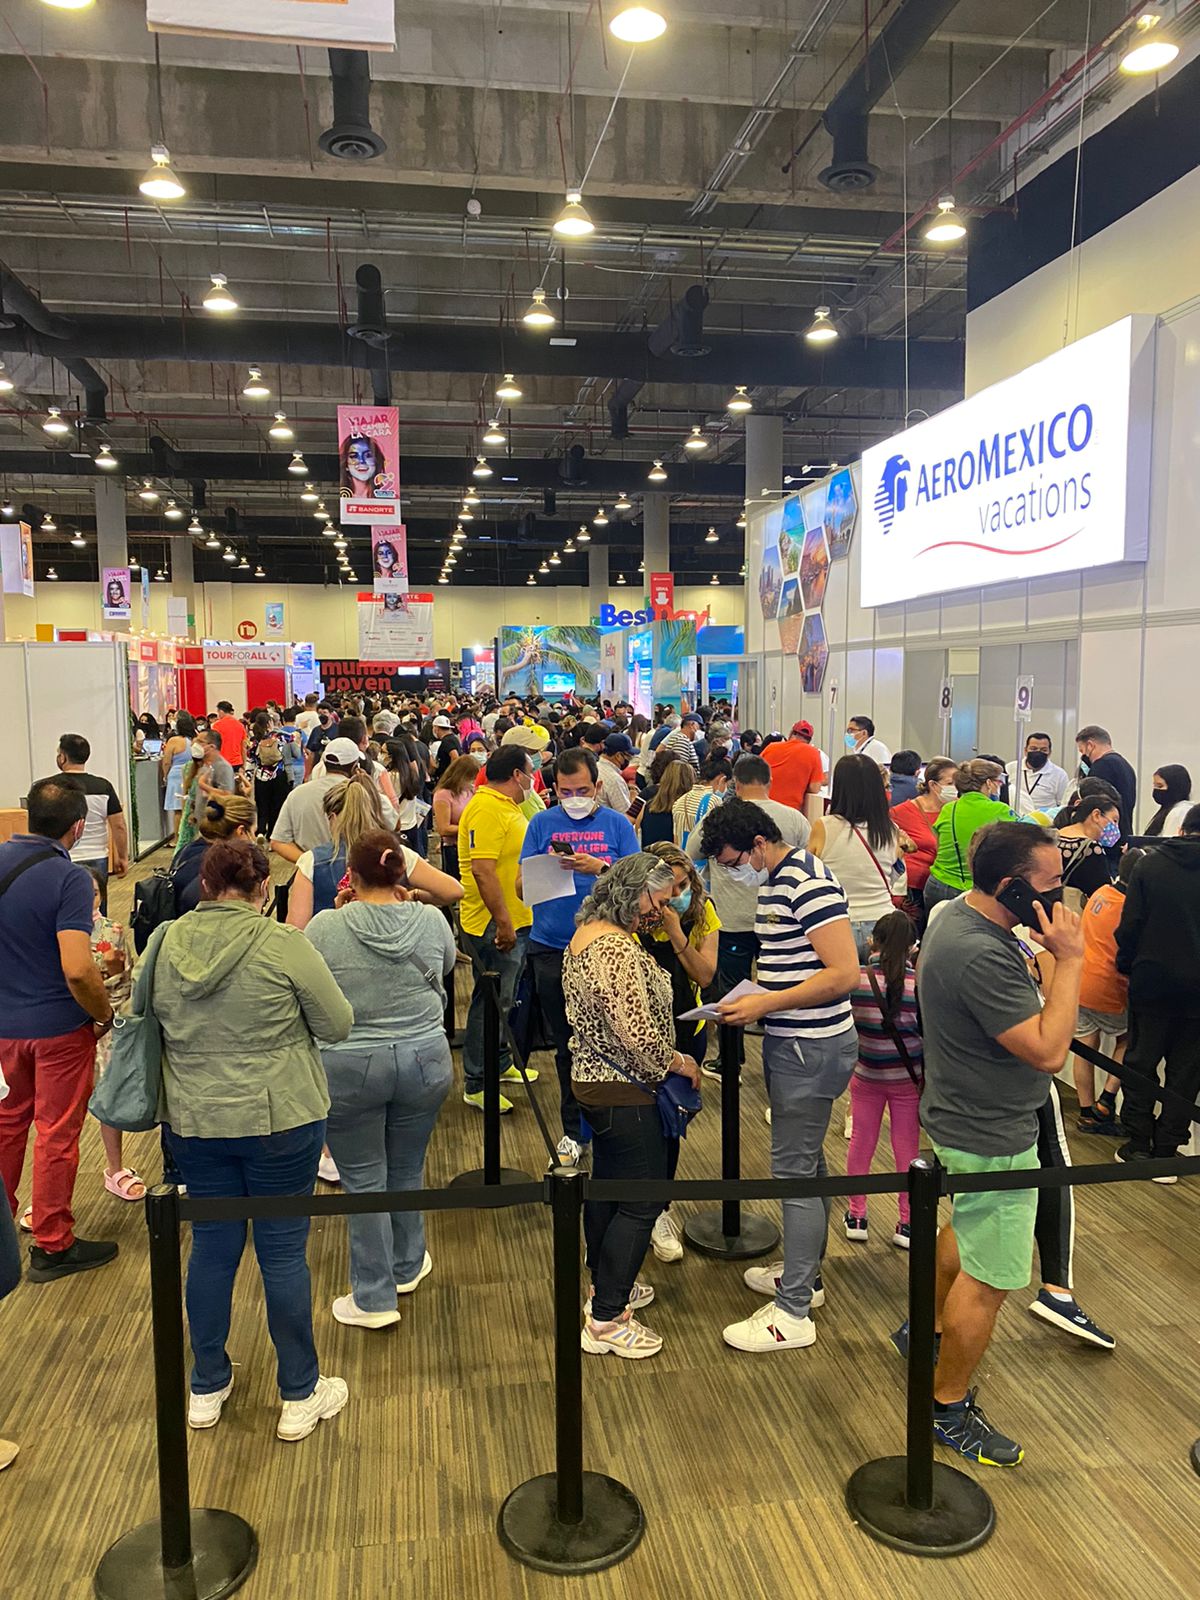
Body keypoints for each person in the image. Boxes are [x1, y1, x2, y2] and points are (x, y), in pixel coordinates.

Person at [152, 838, 354, 1440]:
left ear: (205, 886)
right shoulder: (284, 943)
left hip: (195, 1117)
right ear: (264, 888)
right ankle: (299, 1391)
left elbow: (145, 1018)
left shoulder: (163, 943)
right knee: (283, 1252)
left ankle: (206, 1384)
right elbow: (337, 1024)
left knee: (211, 1249)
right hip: (281, 1116)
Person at [904, 821, 1084, 1467]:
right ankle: (947, 1405)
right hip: (992, 1132)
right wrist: (1072, 959)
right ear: (1011, 887)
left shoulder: (957, 915)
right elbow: (1049, 1051)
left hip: (963, 1117)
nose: (1059, 897)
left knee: (966, 1228)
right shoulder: (980, 952)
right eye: (1049, 885)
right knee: (991, 1278)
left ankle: (924, 1329)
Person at [699, 799, 860, 1354]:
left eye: (733, 861)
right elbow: (794, 961)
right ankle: (804, 1276)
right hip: (794, 1040)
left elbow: (844, 972)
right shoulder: (777, 879)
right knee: (807, 1164)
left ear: (758, 844)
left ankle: (792, 1312)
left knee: (794, 1174)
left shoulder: (805, 882)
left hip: (809, 1045)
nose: (733, 872)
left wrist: (765, 1003)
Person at [305, 833, 455, 1328]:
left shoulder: (325, 927)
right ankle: (407, 1264)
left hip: (350, 1065)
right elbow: (445, 966)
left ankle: (373, 1295)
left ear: (351, 875)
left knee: (363, 1178)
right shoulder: (431, 919)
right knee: (408, 1166)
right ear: (401, 874)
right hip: (425, 1058)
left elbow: (312, 983)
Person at [563, 853, 700, 1359]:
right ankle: (607, 1318)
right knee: (641, 1201)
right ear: (633, 892)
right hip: (625, 1090)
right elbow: (637, 1034)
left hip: (598, 1084)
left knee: (609, 1190)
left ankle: (604, 1286)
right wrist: (681, 1062)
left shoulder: (589, 934)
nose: (660, 911)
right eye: (657, 901)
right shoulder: (615, 948)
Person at [0, 777, 117, 1282]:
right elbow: (77, 967)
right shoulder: (69, 879)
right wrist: (103, 1015)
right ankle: (52, 1242)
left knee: (7, 1126)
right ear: (78, 827)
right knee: (56, 1134)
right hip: (58, 1031)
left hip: (4, 1029)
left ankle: (3, 1231)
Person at [518, 748, 639, 1162]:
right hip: (551, 945)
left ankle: (615, 1126)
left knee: (614, 1038)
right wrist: (546, 869)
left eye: (582, 790)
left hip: (606, 950)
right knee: (566, 1043)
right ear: (553, 788)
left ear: (597, 786)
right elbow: (520, 886)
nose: (574, 798)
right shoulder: (541, 823)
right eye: (565, 791)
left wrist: (599, 867)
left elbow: (639, 888)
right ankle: (575, 1130)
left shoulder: (617, 825)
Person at [684, 753, 810, 1077]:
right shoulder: (794, 818)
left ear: (735, 784)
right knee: (780, 984)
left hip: (733, 919)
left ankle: (730, 1061)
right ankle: (785, 1058)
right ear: (770, 782)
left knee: (731, 992)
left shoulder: (720, 818)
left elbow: (691, 853)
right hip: (781, 920)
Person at [1115, 803, 1200, 1171]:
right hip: (1197, 992)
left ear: (1181, 829)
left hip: (1151, 979)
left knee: (1141, 1063)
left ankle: (1137, 1142)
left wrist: (1125, 965)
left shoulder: (1149, 865)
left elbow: (1130, 925)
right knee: (1187, 1073)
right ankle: (1167, 1149)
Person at [458, 745, 535, 1113]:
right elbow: (482, 870)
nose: (533, 779)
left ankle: (500, 1063)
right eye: (530, 772)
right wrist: (503, 922)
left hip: (515, 917)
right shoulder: (487, 808)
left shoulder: (506, 806)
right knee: (490, 1003)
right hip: (494, 922)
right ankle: (477, 1081)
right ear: (516, 775)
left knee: (507, 998)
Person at [287, 776, 460, 930]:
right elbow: (453, 891)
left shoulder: (311, 861)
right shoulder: (397, 854)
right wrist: (413, 895)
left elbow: (297, 928)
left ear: (332, 817)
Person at [845, 911, 923, 1248]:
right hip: (908, 1079)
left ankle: (857, 1215)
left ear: (872, 941)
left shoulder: (857, 981)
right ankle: (907, 1223)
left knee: (861, 1142)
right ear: (912, 947)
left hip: (866, 1074)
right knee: (907, 1149)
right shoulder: (918, 985)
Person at [808, 755, 907, 957]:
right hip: (884, 924)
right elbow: (895, 876)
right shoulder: (890, 829)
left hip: (838, 922)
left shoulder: (824, 826)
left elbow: (810, 874)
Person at [1072, 849, 1143, 1134]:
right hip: (1110, 987)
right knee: (1129, 1039)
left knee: (1084, 1046)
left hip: (1082, 979)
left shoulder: (1100, 893)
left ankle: (1086, 1112)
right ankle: (1107, 1099)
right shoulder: (1131, 908)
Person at [52, 733, 129, 916]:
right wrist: (122, 857)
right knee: (97, 911)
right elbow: (119, 825)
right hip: (97, 857)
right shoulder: (103, 787)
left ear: (63, 757)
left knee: (64, 910)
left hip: (62, 857)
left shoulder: (50, 788)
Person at [271, 738, 383, 862]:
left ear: (323, 763)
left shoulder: (297, 794)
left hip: (309, 871)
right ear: (355, 765)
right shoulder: (364, 793)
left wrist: (310, 863)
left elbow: (279, 841)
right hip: (357, 868)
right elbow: (393, 824)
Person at [925, 759, 1014, 910]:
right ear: (988, 783)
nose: (999, 786)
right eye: (998, 782)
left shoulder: (948, 809)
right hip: (975, 890)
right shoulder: (1001, 810)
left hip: (939, 885)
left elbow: (938, 846)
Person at [889, 757, 956, 920]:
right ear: (933, 785)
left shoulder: (957, 810)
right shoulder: (901, 812)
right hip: (915, 890)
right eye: (950, 783)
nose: (955, 788)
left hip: (947, 884)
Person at [173, 790, 257, 915]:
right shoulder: (223, 866)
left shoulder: (186, 851)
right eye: (254, 832)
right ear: (241, 831)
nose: (254, 839)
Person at [1055, 794, 1120, 905]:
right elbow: (1102, 895)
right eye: (1114, 821)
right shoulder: (1092, 849)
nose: (1116, 828)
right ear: (1096, 815)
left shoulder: (1050, 838)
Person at [1074, 725, 1136, 837]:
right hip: (1123, 832)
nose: (1083, 756)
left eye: (1082, 751)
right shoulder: (1126, 765)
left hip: (1104, 834)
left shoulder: (1101, 766)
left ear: (1090, 745)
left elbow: (1092, 805)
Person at [244, 712, 298, 841]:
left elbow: (250, 761)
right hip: (279, 775)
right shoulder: (282, 736)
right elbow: (296, 752)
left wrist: (247, 777)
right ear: (270, 723)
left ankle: (261, 831)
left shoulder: (253, 741)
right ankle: (272, 834)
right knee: (277, 806)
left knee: (262, 805)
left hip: (261, 776)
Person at [761, 721, 824, 817]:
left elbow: (754, 773)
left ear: (791, 733)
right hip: (789, 813)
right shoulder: (813, 753)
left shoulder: (770, 747)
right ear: (809, 740)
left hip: (762, 809)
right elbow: (815, 788)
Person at [433, 755, 479, 879]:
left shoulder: (470, 791)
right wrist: (468, 828)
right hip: (453, 848)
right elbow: (443, 828)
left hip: (471, 845)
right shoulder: (443, 795)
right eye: (470, 778)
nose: (472, 782)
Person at [673, 754, 731, 848]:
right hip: (701, 855)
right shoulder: (714, 801)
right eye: (727, 784)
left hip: (682, 855)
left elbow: (676, 839)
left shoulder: (680, 800)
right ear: (722, 779)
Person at [1007, 733, 1072, 816]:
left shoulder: (1060, 775)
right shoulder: (1011, 768)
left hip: (1044, 822)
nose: (1038, 752)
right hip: (1013, 819)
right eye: (1033, 749)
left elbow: (1063, 805)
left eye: (1043, 750)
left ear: (1049, 752)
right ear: (1025, 751)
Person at [639, 756, 692, 847]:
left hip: (648, 853)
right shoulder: (684, 812)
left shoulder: (647, 806)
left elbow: (638, 831)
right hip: (672, 854)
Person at [161, 711, 197, 843]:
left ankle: (177, 839)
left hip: (176, 775)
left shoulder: (174, 741)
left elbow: (166, 761)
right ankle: (192, 837)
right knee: (192, 807)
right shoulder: (195, 740)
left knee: (178, 810)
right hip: (192, 773)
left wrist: (165, 775)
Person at [1143, 764, 1192, 838]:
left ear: (1175, 787)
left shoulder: (1179, 812)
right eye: (1154, 785)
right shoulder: (1169, 810)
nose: (1155, 790)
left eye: (1160, 786)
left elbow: (1168, 843)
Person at [210, 701, 247, 776]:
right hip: (237, 762)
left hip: (221, 762)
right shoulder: (240, 725)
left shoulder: (216, 726)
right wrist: (244, 764)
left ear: (221, 711)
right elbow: (243, 747)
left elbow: (213, 745)